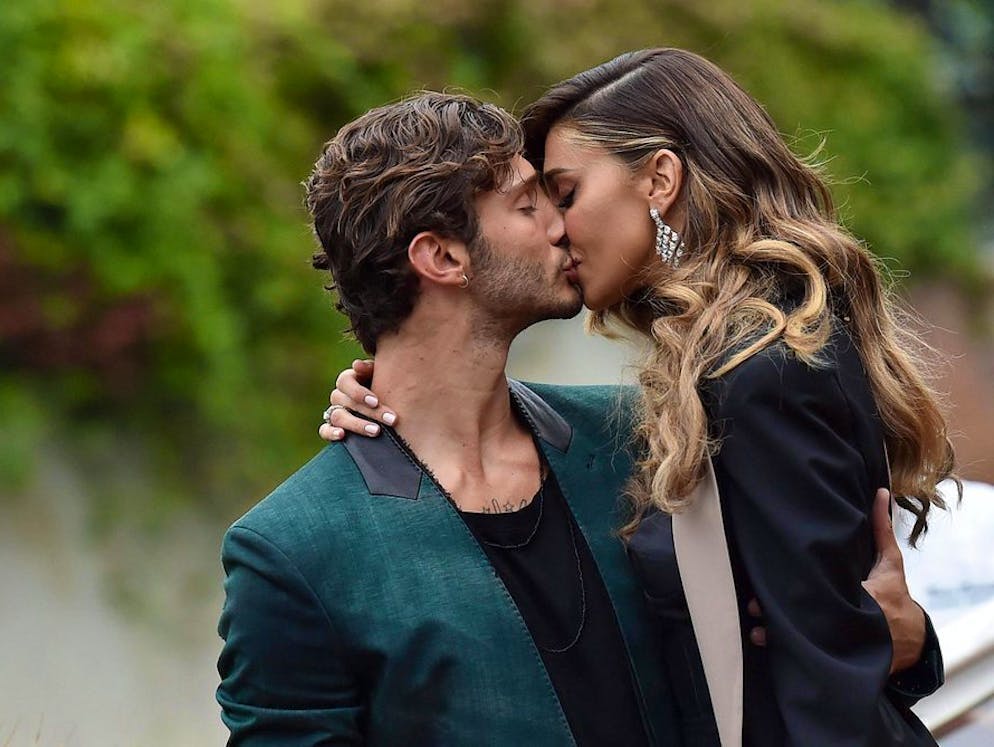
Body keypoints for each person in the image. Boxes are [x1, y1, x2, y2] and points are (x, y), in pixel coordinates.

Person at [322, 50, 950, 746]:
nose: (557, 228)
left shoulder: (758, 376)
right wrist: (394, 401)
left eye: (564, 194)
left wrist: (903, 643)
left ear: (659, 179)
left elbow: (830, 694)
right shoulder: (725, 372)